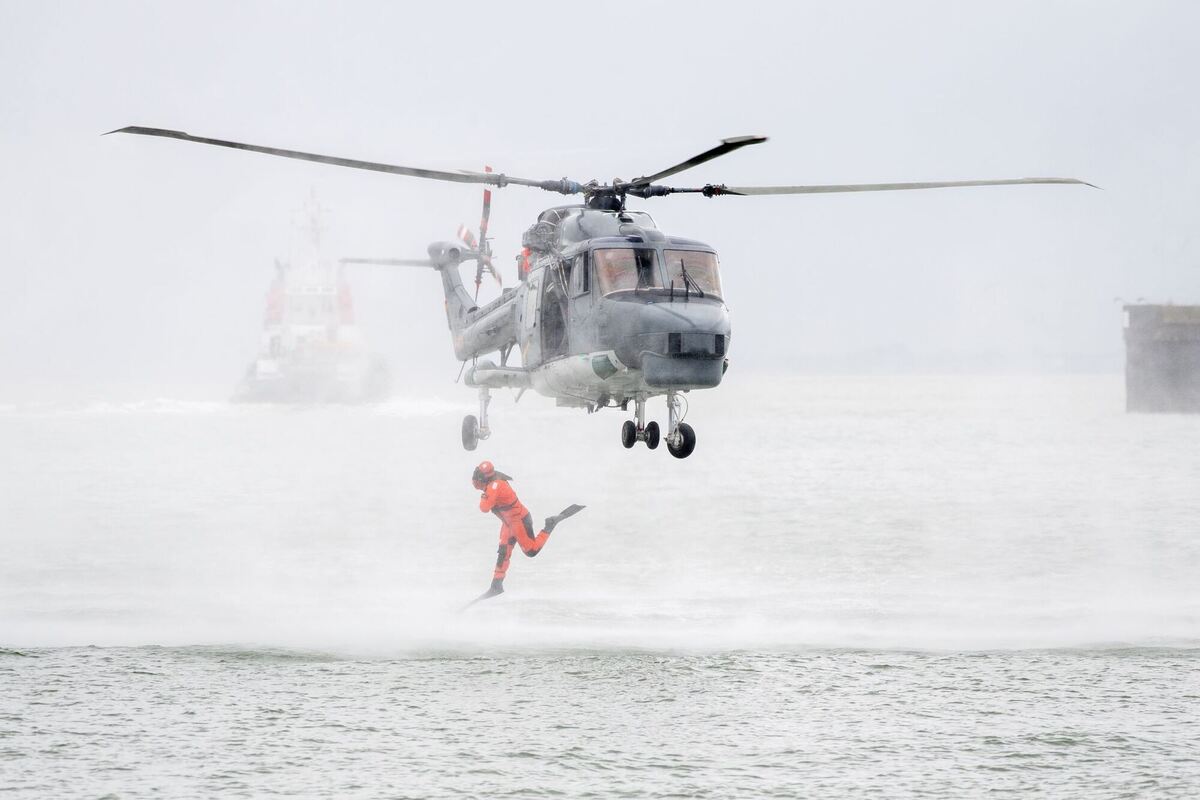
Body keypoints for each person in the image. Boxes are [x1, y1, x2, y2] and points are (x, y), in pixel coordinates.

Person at [469, 460, 584, 603]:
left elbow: (484, 508)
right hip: (508, 522)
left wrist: (484, 495)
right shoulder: (492, 481)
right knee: (503, 551)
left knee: (531, 551)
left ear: (485, 478)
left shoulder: (494, 486)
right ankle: (496, 585)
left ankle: (550, 525)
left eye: (478, 477)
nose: (475, 480)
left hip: (519, 521)